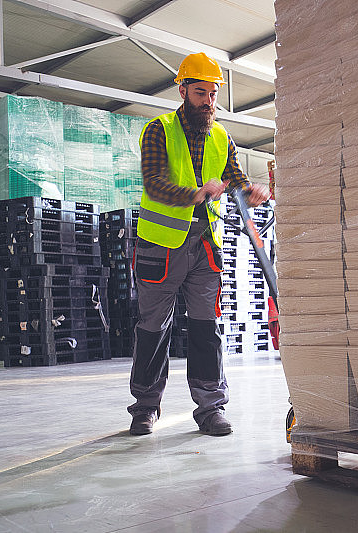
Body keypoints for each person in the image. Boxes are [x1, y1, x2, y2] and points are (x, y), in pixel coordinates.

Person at [128, 52, 271, 436]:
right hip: (160, 246)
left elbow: (234, 176)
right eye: (200, 93)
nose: (208, 102)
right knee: (153, 328)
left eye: (212, 94)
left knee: (207, 328)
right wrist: (195, 194)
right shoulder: (159, 129)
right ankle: (145, 407)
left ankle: (211, 408)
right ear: (183, 90)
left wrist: (250, 190)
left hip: (204, 246)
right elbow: (154, 183)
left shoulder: (222, 136)